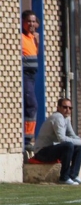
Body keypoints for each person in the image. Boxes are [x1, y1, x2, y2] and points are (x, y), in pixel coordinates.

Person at [34, 98, 81, 185]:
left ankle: (73, 176)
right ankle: (64, 177)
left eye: (70, 108)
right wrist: (80, 141)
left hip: (52, 149)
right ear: (58, 108)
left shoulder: (66, 119)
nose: (68, 110)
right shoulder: (58, 117)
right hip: (42, 152)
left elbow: (71, 135)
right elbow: (62, 139)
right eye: (65, 107)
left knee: (79, 147)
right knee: (68, 146)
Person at [21, 10, 39, 151]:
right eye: (29, 21)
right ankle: (27, 139)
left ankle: (29, 137)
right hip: (25, 75)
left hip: (33, 75)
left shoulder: (33, 37)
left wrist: (37, 42)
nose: (31, 24)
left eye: (33, 21)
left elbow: (34, 53)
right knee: (32, 105)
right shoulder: (20, 37)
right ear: (23, 22)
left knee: (31, 105)